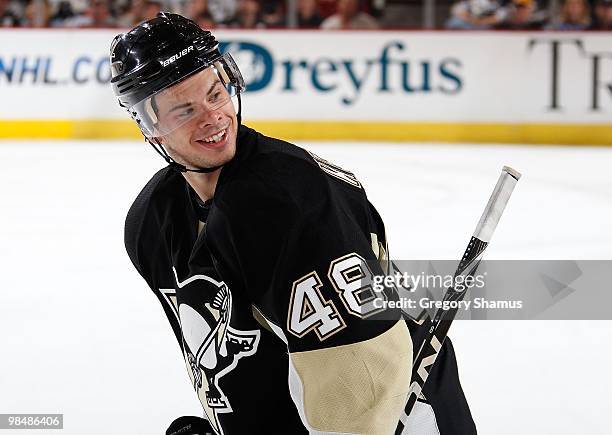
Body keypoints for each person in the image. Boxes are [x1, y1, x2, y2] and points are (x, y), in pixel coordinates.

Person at [110, 12, 475, 434]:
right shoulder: (153, 221)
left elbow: (361, 385)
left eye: (215, 94)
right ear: (149, 126)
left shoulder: (283, 204)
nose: (212, 117)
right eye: (184, 110)